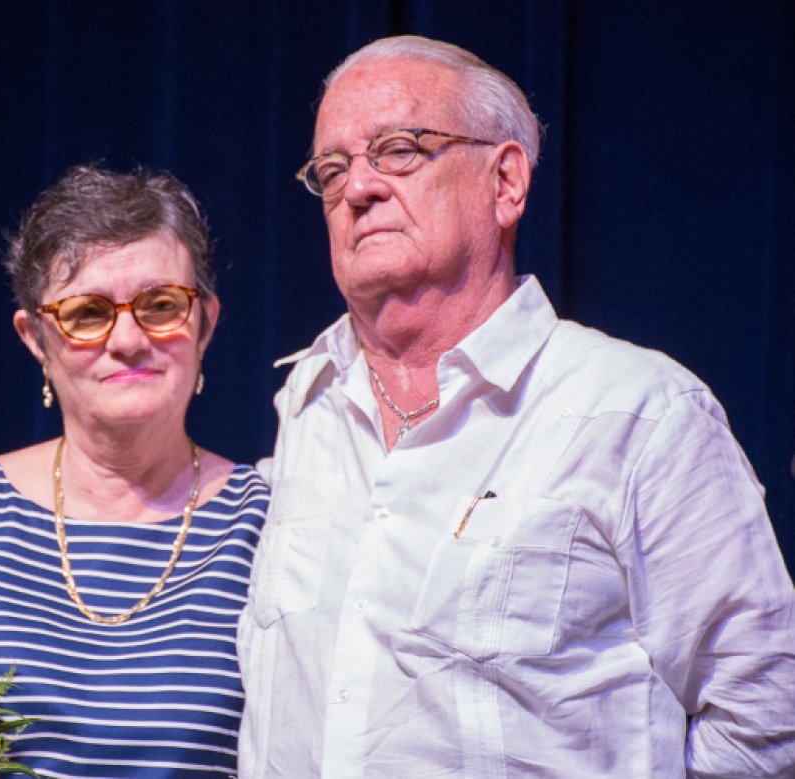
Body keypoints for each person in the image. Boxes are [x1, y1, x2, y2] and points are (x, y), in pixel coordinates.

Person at [237, 35, 795, 777]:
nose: (359, 188)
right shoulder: (308, 405)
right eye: (332, 170)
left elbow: (769, 711)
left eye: (399, 149)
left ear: (505, 183)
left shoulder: (639, 412)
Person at [0, 164, 268, 777]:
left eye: (161, 305)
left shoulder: (267, 522)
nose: (129, 339)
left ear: (206, 321)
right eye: (86, 314)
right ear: (34, 338)